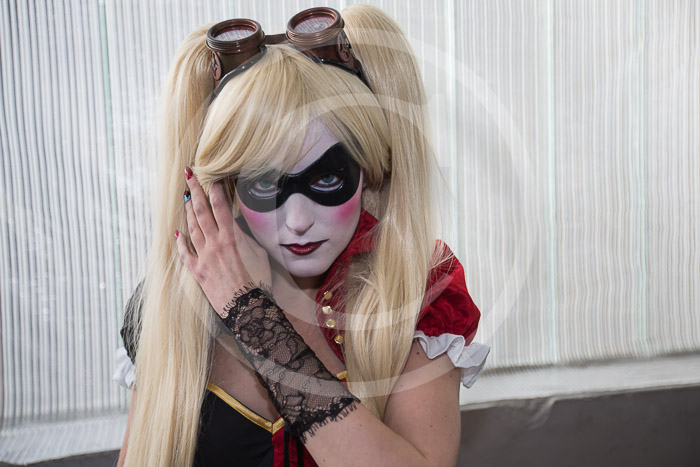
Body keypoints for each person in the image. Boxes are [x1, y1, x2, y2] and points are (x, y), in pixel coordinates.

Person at [113, 4, 490, 466]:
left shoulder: (419, 290)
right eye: (265, 184)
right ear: (224, 186)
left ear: (370, 170)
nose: (296, 221)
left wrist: (252, 316)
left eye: (326, 178)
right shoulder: (170, 305)